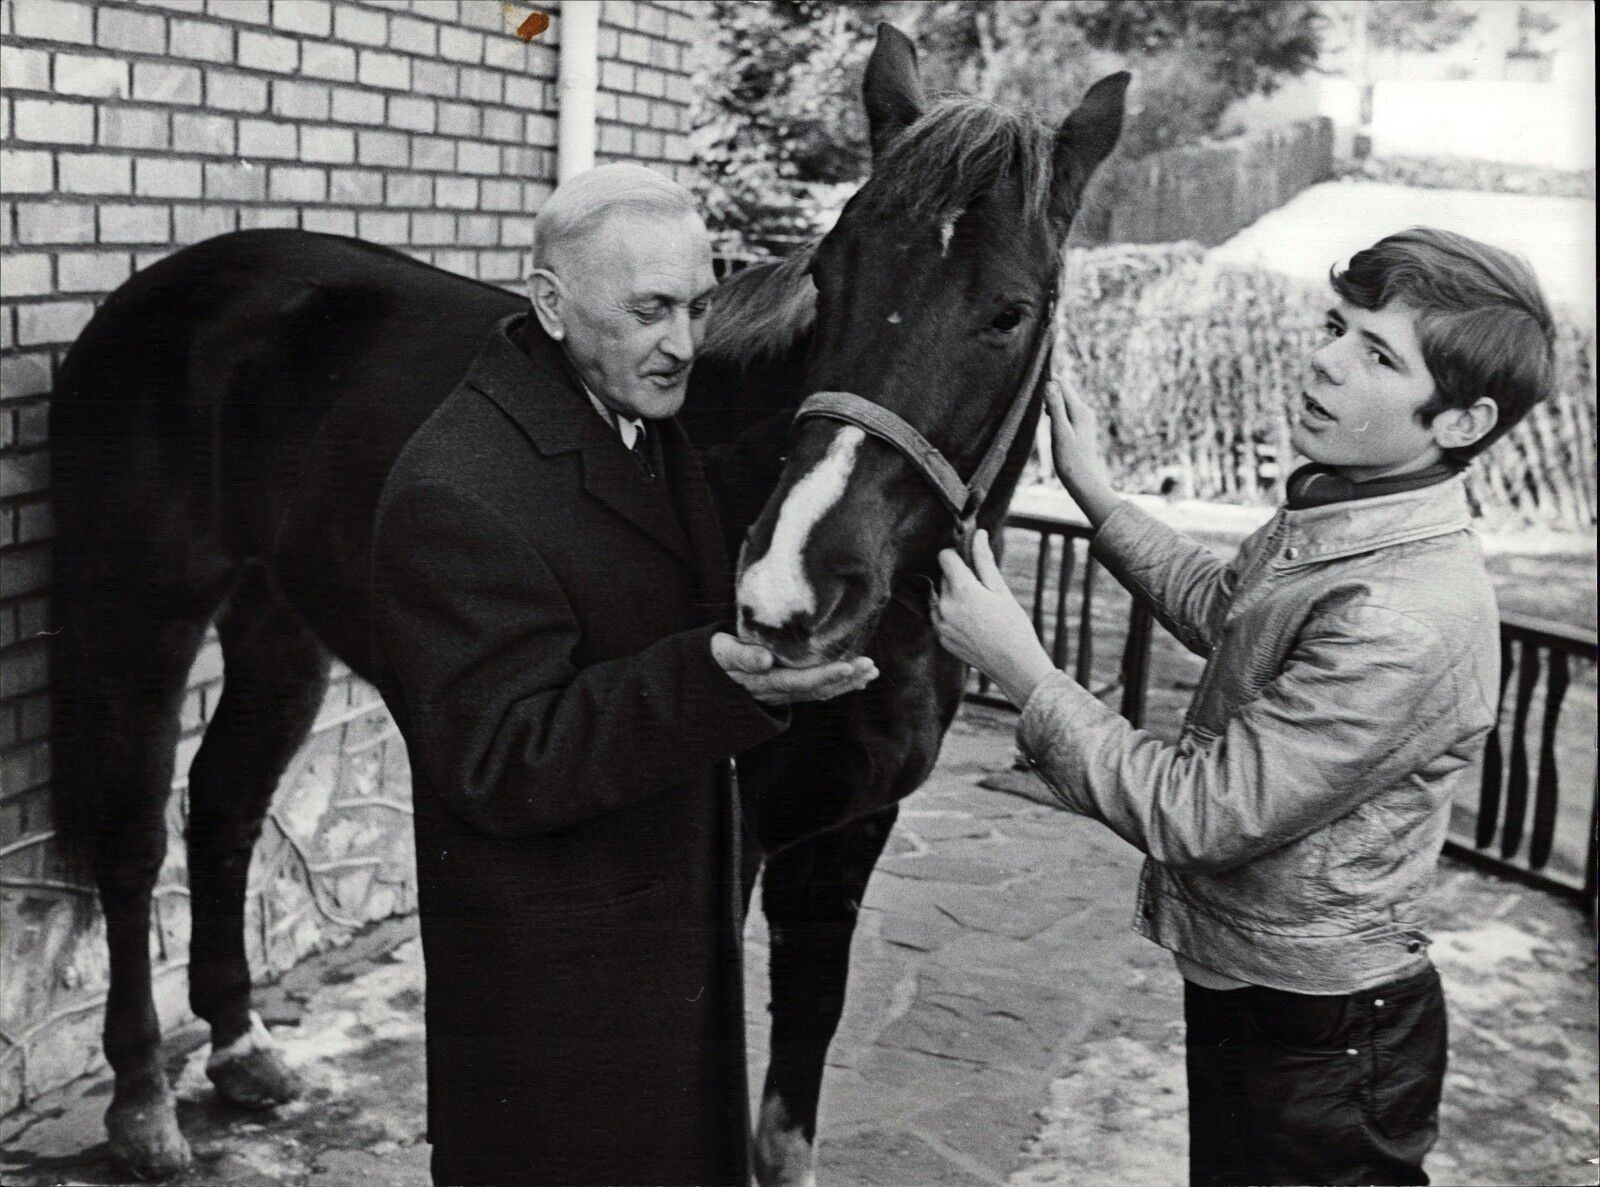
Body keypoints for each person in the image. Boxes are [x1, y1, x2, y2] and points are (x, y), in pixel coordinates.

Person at [932, 228, 1556, 1186]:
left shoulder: (1404, 612)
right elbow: (1236, 615)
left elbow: (1200, 812)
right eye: (1337, 326)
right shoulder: (1348, 510)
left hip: (1327, 1039)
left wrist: (1023, 670)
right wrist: (1099, 496)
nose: (1326, 359)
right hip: (1263, 1003)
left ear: (1461, 422)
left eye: (1378, 354)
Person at [369, 163, 876, 1187]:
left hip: (656, 969)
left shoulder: (637, 413)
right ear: (549, 303)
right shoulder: (456, 488)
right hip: (552, 1020)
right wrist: (718, 683)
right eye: (649, 309)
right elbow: (497, 758)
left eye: (697, 303)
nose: (685, 342)